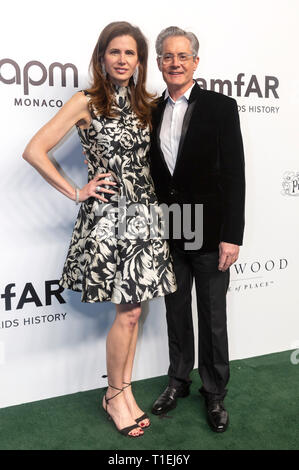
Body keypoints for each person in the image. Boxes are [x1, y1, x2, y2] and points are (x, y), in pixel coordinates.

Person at [22, 21, 176, 438]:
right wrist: (77, 191)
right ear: (102, 57)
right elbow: (34, 150)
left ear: (139, 61)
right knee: (126, 313)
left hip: (144, 218)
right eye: (115, 52)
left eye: (130, 53)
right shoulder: (85, 101)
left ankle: (122, 393)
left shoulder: (145, 103)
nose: (123, 60)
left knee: (134, 312)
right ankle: (114, 395)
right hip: (108, 220)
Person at [150, 26, 245, 432]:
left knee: (212, 316)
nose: (175, 63)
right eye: (168, 57)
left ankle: (215, 393)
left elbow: (235, 175)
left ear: (195, 62)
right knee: (175, 314)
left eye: (182, 56)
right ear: (159, 63)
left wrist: (232, 234)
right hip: (169, 228)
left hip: (209, 231)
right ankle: (178, 381)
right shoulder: (149, 110)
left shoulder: (221, 107)